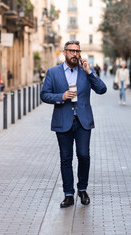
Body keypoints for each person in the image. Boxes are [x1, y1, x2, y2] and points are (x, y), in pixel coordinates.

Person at [40, 40, 107, 208]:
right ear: (64, 53)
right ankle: (68, 194)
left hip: (83, 121)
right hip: (63, 121)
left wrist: (90, 72)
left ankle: (82, 189)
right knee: (66, 159)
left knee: (84, 156)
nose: (75, 54)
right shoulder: (53, 72)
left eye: (77, 51)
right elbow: (44, 95)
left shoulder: (85, 72)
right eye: (71, 51)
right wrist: (60, 97)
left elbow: (102, 89)